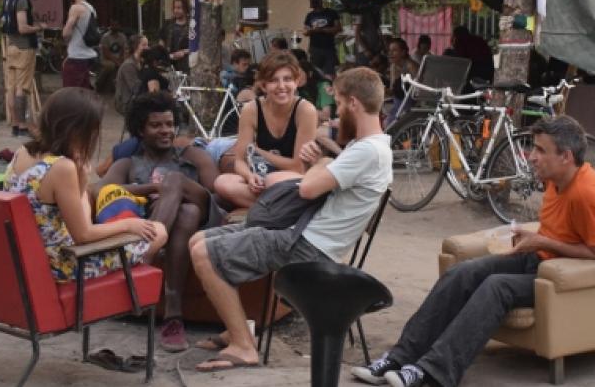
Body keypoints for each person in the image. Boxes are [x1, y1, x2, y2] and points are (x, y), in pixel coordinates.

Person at [351, 116, 595, 387]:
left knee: (496, 286)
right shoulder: (554, 177)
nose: (531, 157)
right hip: (537, 259)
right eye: (533, 148)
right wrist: (532, 238)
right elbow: (558, 229)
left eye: (541, 150)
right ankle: (400, 357)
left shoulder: (589, 194)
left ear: (566, 157)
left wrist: (544, 243)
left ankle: (432, 372)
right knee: (462, 272)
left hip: (558, 277)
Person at [189, 66, 393, 371]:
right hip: (302, 235)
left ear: (353, 102)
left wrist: (318, 160)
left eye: (337, 103)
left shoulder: (367, 151)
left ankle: (244, 346)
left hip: (309, 246)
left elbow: (309, 188)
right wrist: (321, 159)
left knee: (204, 254)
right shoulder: (367, 147)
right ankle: (240, 328)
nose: (335, 113)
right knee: (199, 239)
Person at [94, 91, 225, 352]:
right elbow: (98, 191)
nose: (165, 130)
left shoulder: (192, 156)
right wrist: (153, 191)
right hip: (176, 224)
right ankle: (173, 318)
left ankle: (144, 254)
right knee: (184, 213)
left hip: (204, 220)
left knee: (176, 183)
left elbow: (218, 194)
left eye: (169, 124)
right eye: (156, 125)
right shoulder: (128, 163)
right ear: (140, 130)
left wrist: (170, 188)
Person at [5, 87, 167, 285]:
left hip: (29, 257)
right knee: (157, 231)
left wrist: (80, 175)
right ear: (78, 130)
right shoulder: (62, 168)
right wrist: (128, 224)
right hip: (62, 263)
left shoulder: (22, 152)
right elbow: (83, 234)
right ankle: (134, 290)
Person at [213, 51, 318, 211]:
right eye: (274, 80)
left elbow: (298, 167)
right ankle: (278, 210)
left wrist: (259, 152)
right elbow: (240, 160)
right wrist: (249, 177)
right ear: (263, 85)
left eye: (287, 79)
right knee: (222, 182)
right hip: (263, 180)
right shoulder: (252, 109)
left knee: (274, 180)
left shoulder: (305, 110)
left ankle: (269, 209)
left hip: (293, 181)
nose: (281, 86)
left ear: (297, 81)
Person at [3, 0, 46, 137]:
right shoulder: (21, 0)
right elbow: (22, 27)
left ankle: (14, 124)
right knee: (21, 88)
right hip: (23, 47)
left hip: (11, 46)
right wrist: (38, 27)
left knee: (12, 88)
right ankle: (21, 125)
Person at [61, 0, 98, 90]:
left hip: (76, 57)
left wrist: (67, 42)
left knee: (70, 94)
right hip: (88, 56)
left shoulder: (75, 8)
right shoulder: (90, 8)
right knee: (84, 93)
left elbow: (66, 33)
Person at [303, 0, 342, 76]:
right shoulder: (310, 15)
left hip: (329, 48)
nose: (312, 2)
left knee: (330, 73)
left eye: (314, 0)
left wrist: (322, 30)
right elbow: (305, 32)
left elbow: (338, 28)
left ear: (320, 1)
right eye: (311, 0)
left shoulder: (331, 13)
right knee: (316, 72)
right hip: (314, 48)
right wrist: (312, 31)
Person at [386, 38, 419, 127]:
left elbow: (420, 89)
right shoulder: (393, 66)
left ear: (403, 52)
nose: (390, 53)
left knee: (390, 124)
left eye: (394, 50)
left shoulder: (411, 66)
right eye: (390, 50)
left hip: (410, 104)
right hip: (399, 103)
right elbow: (393, 90)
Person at [114, 34, 148, 117]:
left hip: (134, 98)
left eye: (147, 45)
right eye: (144, 45)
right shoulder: (128, 65)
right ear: (135, 46)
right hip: (126, 102)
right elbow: (135, 88)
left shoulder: (140, 62)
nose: (147, 48)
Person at [159, 0, 191, 73]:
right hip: (168, 64)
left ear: (186, 8)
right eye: (174, 8)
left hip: (186, 65)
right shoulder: (167, 24)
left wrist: (184, 52)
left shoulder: (192, 26)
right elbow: (161, 44)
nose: (176, 10)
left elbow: (197, 46)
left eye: (179, 8)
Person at [97, 23, 128, 93]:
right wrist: (117, 62)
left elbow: (123, 50)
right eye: (113, 25)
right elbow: (106, 53)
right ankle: (99, 82)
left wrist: (121, 59)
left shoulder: (122, 37)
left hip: (118, 59)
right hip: (106, 59)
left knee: (127, 64)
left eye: (117, 25)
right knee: (111, 66)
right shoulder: (105, 37)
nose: (115, 26)